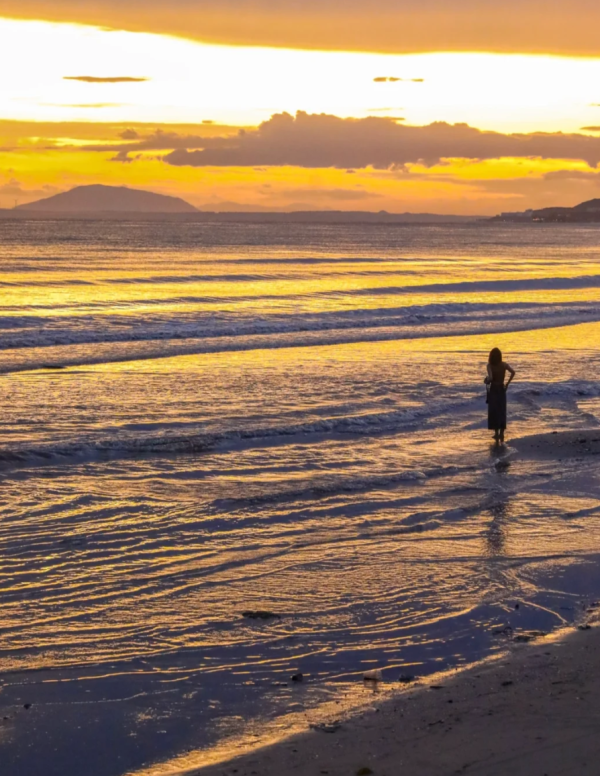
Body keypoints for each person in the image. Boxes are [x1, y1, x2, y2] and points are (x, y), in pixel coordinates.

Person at [484, 347, 515, 444]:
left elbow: (490, 378)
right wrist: (507, 384)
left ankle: (496, 432)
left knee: (494, 411)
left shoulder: (489, 365)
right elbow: (513, 372)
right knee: (502, 410)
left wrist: (486, 380)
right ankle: (502, 433)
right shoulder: (504, 365)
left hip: (494, 390)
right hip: (501, 389)